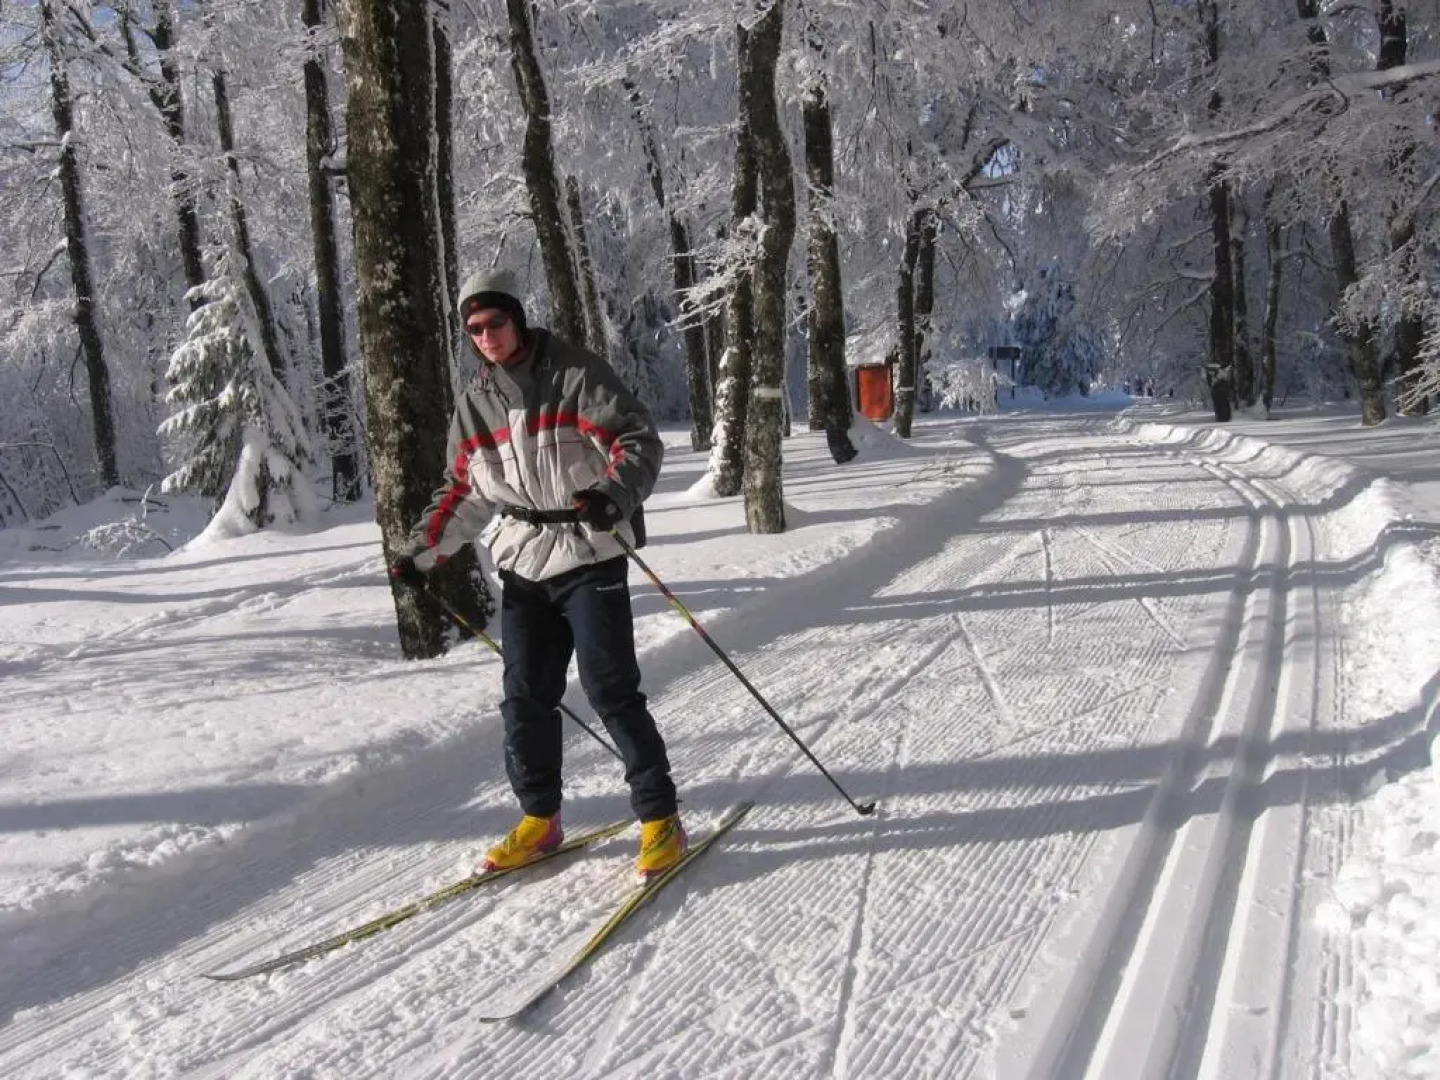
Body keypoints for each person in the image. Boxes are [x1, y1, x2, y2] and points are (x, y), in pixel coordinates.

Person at [388, 268, 684, 879]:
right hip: (524, 559)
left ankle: (659, 818)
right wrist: (422, 552)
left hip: (589, 550)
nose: (487, 336)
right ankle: (539, 819)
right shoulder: (475, 404)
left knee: (610, 690)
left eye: (495, 322)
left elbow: (637, 441)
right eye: (474, 329)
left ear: (517, 318)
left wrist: (613, 494)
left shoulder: (575, 374)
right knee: (525, 698)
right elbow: (465, 491)